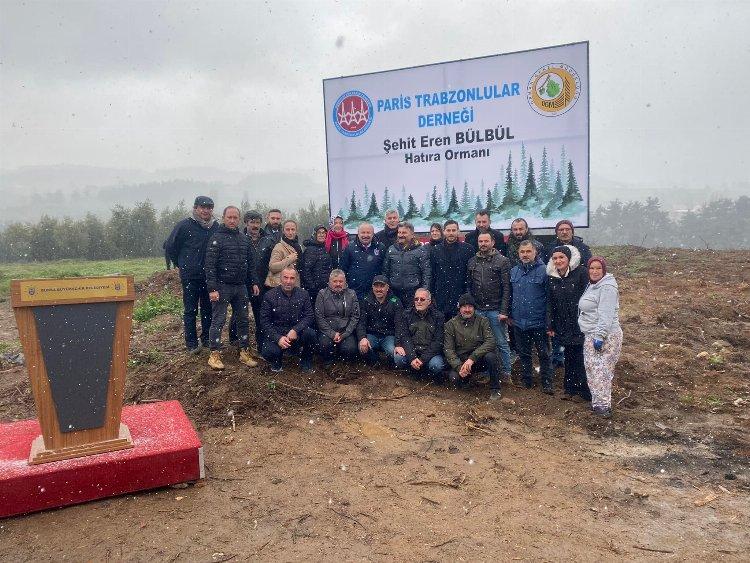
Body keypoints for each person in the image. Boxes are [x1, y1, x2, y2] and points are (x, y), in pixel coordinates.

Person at [205, 206, 260, 370]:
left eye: (235, 217)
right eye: (229, 217)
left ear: (239, 219)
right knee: (218, 320)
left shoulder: (244, 239)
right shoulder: (216, 238)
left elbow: (251, 264)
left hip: (241, 287)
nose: (232, 220)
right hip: (222, 287)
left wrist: (254, 282)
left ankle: (244, 351)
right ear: (223, 218)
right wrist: (212, 288)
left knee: (243, 320)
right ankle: (214, 354)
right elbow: (210, 266)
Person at [163, 195, 218, 354]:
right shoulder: (184, 225)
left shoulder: (215, 227)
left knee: (208, 308)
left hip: (208, 276)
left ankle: (207, 338)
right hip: (190, 276)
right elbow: (170, 247)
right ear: (195, 208)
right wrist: (181, 264)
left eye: (209, 208)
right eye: (203, 207)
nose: (206, 211)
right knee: (190, 310)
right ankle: (192, 343)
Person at [578, 257, 623, 418]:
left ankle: (603, 406)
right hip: (590, 334)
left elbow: (606, 314)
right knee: (592, 370)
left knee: (601, 372)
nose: (594, 271)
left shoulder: (607, 288)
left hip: (606, 336)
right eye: (592, 268)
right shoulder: (593, 285)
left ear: (603, 270)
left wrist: (600, 336)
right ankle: (598, 403)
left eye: (598, 269)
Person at [547, 245, 591, 401]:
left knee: (581, 357)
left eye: (561, 257)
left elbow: (589, 297)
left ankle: (584, 391)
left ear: (569, 259)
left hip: (580, 323)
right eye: (555, 258)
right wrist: (550, 324)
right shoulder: (552, 277)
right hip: (563, 324)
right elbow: (550, 302)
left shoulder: (581, 273)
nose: (558, 261)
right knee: (569, 356)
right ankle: (570, 389)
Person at [467, 231, 513, 379]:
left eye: (486, 241)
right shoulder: (472, 261)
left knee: (501, 342)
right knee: (482, 343)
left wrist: (504, 310)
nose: (483, 244)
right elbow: (469, 286)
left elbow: (507, 287)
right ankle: (488, 371)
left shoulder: (502, 261)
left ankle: (506, 372)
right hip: (479, 310)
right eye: (481, 241)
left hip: (495, 310)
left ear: (493, 242)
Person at [510, 240, 553, 393]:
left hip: (538, 321)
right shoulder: (514, 271)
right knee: (524, 353)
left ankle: (547, 382)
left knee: (544, 353)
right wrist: (510, 315)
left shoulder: (545, 271)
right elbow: (510, 296)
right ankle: (526, 380)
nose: (525, 254)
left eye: (528, 251)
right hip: (519, 321)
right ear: (519, 254)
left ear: (535, 252)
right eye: (522, 252)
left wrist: (549, 322)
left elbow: (549, 298)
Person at [444, 294, 502, 401]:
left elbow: (490, 341)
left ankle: (495, 389)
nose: (467, 310)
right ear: (459, 308)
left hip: (478, 359)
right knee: (454, 378)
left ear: (474, 308)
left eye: (470, 306)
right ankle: (466, 380)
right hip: (462, 361)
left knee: (491, 357)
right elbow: (448, 350)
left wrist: (472, 358)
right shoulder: (450, 325)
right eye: (464, 307)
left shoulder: (483, 321)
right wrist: (458, 367)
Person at [260, 266, 317, 373]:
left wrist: (296, 329)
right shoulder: (269, 296)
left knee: (311, 334)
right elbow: (264, 321)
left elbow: (309, 316)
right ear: (280, 279)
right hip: (277, 332)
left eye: (292, 278)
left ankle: (306, 362)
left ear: (296, 279)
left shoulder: (303, 294)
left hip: (296, 333)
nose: (288, 281)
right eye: (285, 278)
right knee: (269, 352)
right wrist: (278, 338)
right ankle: (277, 362)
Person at [394, 288, 446, 380]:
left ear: (429, 302)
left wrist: (422, 360)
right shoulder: (407, 314)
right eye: (416, 299)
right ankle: (412, 370)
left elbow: (438, 342)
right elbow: (405, 337)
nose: (418, 301)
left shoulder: (438, 317)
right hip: (413, 351)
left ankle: (427, 375)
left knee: (436, 365)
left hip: (430, 353)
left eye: (422, 299)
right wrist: (412, 357)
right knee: (399, 358)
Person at [430, 220, 474, 319]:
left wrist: (468, 293)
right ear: (444, 232)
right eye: (448, 230)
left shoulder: (468, 249)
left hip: (461, 295)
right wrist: (432, 294)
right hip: (441, 296)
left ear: (458, 231)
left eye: (453, 230)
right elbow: (433, 274)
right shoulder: (435, 250)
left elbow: (470, 274)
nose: (451, 233)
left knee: (461, 329)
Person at [315, 269, 360, 365]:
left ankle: (344, 365)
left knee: (350, 349)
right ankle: (328, 363)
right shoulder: (322, 294)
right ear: (329, 282)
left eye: (340, 281)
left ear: (345, 282)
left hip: (345, 331)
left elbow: (355, 316)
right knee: (324, 345)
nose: (338, 284)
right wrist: (332, 333)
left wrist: (345, 333)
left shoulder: (351, 294)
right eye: (335, 281)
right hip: (327, 330)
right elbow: (319, 317)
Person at [356, 275, 402, 365]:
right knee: (362, 348)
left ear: (387, 287)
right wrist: (362, 338)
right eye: (376, 286)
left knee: (395, 354)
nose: (378, 289)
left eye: (382, 286)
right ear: (372, 287)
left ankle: (390, 366)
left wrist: (398, 344)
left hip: (389, 336)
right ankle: (374, 362)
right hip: (372, 334)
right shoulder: (366, 300)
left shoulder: (395, 302)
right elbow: (361, 322)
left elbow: (399, 325)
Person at [383, 222, 431, 305]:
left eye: (404, 233)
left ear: (412, 235)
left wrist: (423, 292)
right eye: (399, 232)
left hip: (413, 294)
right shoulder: (391, 249)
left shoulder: (421, 251)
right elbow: (385, 271)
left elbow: (426, 274)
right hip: (394, 293)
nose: (401, 235)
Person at [339, 222, 386, 300]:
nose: (365, 235)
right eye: (363, 232)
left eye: (368, 233)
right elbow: (343, 268)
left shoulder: (380, 247)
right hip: (355, 291)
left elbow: (385, 269)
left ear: (373, 234)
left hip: (375, 292)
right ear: (358, 233)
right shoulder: (350, 248)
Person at [300, 224, 333, 304]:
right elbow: (306, 270)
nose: (321, 235)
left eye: (323, 233)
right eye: (319, 233)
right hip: (314, 290)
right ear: (315, 234)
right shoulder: (310, 249)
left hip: (324, 287)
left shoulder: (324, 247)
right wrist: (312, 287)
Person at [265, 220, 303, 288]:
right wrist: (289, 259)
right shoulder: (279, 246)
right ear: (283, 231)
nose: (290, 232)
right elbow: (272, 267)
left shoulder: (298, 247)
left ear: (296, 231)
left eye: (293, 229)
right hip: (279, 287)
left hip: (294, 286)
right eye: (287, 229)